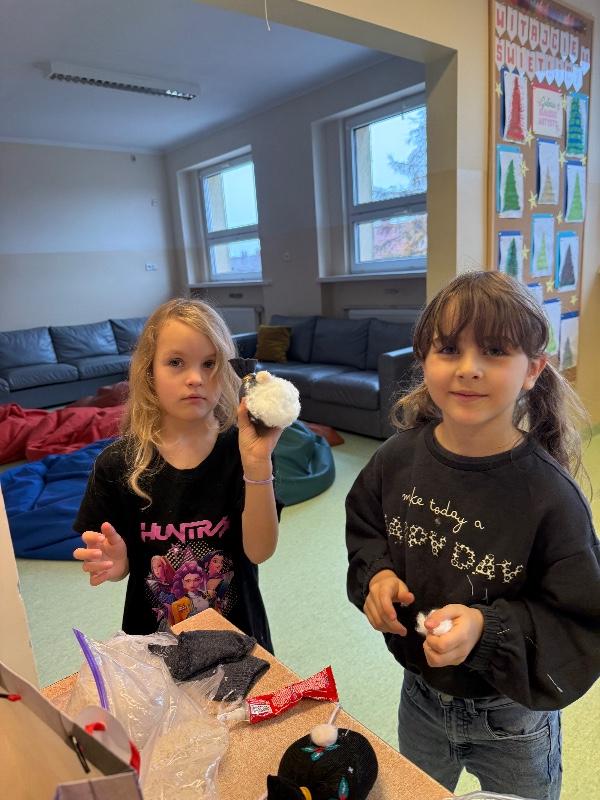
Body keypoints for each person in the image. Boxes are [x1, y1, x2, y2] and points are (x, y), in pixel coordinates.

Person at [345, 271, 600, 799]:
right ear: (424, 358)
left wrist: (487, 629)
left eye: (494, 351)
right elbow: (367, 528)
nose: (467, 368)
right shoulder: (395, 459)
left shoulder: (550, 496)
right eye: (448, 349)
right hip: (419, 697)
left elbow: (578, 620)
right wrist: (379, 576)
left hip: (513, 718)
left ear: (533, 370)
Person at [73, 298, 282, 651]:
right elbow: (121, 562)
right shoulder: (118, 463)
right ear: (149, 372)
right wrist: (119, 563)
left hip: (238, 640)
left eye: (210, 364)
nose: (196, 378)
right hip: (154, 646)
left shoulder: (243, 450)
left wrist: (258, 464)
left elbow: (260, 551)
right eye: (175, 363)